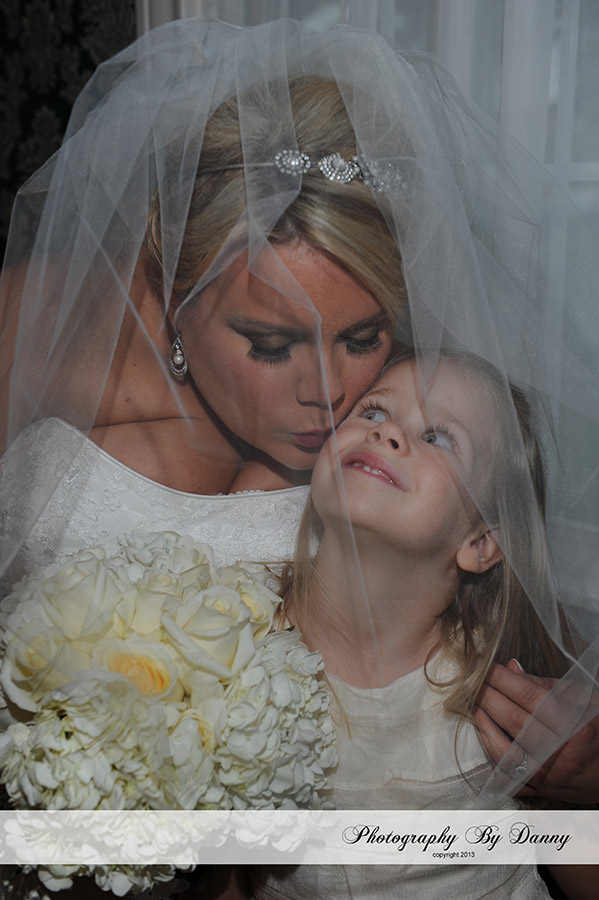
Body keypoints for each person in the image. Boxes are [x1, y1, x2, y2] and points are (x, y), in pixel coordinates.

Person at [0, 15, 596, 837]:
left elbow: (514, 616)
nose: (331, 393)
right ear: (172, 288)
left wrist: (579, 769)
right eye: (271, 344)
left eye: (363, 336)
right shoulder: (39, 332)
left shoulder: (412, 404)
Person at [248, 350, 595, 899]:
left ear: (482, 542)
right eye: (373, 412)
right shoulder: (234, 637)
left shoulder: (498, 696)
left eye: (437, 438)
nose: (386, 433)